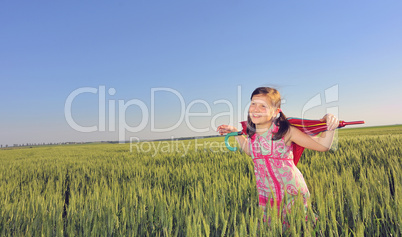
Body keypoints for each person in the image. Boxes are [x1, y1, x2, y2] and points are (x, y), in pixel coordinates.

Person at [217, 87, 338, 225]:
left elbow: (322, 145)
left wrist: (329, 124)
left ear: (275, 112)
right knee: (274, 228)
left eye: (263, 106)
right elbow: (251, 151)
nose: (256, 109)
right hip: (267, 195)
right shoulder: (252, 134)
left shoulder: (286, 132)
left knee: (300, 227)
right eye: (253, 103)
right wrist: (235, 132)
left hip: (292, 193)